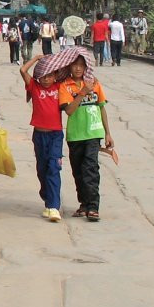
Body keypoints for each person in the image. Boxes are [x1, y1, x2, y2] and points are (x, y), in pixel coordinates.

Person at [59, 48, 114, 222]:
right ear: (70, 67)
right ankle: (83, 203)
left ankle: (93, 207)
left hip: (93, 132)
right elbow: (68, 110)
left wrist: (108, 133)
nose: (78, 69)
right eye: (75, 65)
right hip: (75, 134)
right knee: (78, 171)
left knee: (91, 169)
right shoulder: (65, 86)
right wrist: (82, 93)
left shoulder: (94, 84)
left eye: (81, 65)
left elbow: (102, 107)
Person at [20, 54, 65, 222]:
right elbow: (23, 70)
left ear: (55, 76)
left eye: (50, 76)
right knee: (42, 169)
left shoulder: (60, 87)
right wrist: (36, 59)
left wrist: (58, 63)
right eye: (43, 76)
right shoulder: (34, 87)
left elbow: (69, 75)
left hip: (55, 135)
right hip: (39, 135)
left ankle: (54, 207)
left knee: (54, 167)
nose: (47, 80)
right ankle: (47, 197)